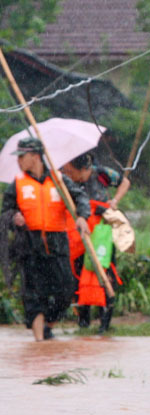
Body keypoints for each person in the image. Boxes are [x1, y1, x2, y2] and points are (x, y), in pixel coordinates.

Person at [1, 137, 90, 341]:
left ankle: (48, 326)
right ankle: (39, 342)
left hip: (56, 244)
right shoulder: (18, 184)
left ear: (35, 156)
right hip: (29, 245)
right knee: (34, 296)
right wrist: (14, 217)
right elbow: (5, 210)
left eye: (22, 156)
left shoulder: (59, 180)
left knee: (66, 291)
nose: (19, 161)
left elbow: (80, 197)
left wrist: (82, 217)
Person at [61, 152, 130, 332]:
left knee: (103, 270)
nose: (68, 174)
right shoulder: (67, 181)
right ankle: (83, 320)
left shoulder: (101, 173)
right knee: (79, 271)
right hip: (79, 232)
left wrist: (114, 201)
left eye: (71, 171)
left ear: (84, 169)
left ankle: (104, 321)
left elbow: (125, 182)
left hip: (102, 231)